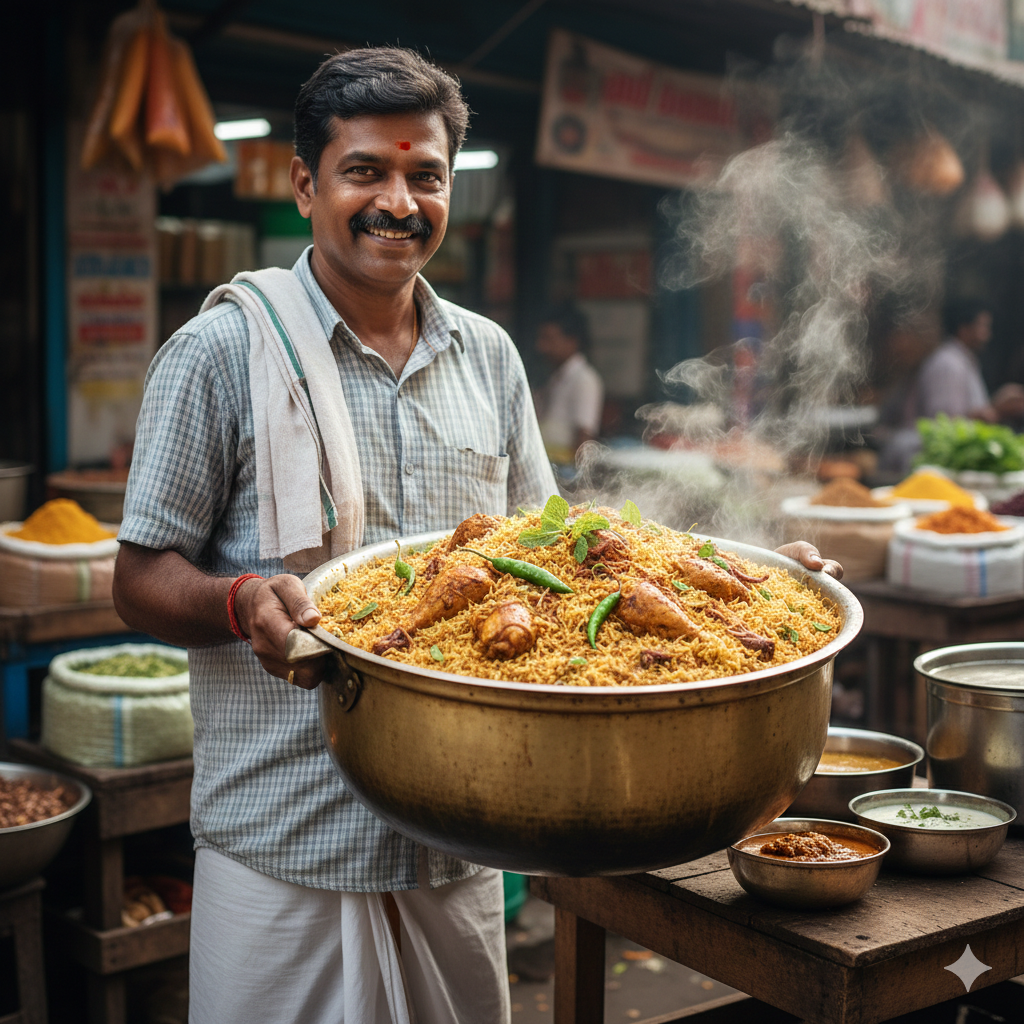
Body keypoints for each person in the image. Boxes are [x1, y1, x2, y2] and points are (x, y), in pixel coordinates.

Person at [112, 46, 841, 1024]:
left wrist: (738, 580)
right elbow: (138, 577)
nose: (398, 202)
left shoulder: (489, 356)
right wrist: (237, 600)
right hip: (284, 845)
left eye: (426, 176)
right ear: (304, 185)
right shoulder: (220, 351)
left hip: (463, 840)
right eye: (365, 171)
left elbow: (552, 554)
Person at [878, 298, 1024, 474]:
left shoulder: (963, 361)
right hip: (923, 464)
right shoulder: (948, 365)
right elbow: (945, 425)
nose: (987, 334)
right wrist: (996, 409)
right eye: (982, 327)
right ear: (964, 329)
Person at [532, 304, 603, 467]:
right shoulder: (555, 377)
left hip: (563, 471)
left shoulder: (584, 379)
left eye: (549, 339)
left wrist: (574, 479)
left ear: (572, 341)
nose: (541, 347)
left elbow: (584, 439)